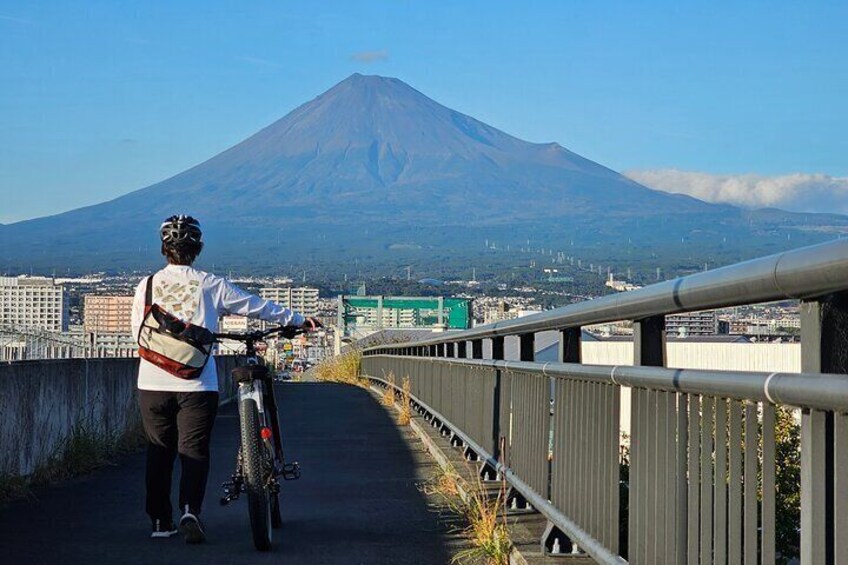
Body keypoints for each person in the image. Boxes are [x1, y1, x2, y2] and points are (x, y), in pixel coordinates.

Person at [130, 215, 320, 543]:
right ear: (197, 249)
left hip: (152, 382)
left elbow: (138, 333)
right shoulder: (209, 283)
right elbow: (256, 307)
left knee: (158, 450)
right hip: (197, 383)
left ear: (164, 248)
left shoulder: (146, 285)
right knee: (194, 447)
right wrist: (299, 320)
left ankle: (161, 522)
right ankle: (190, 510)